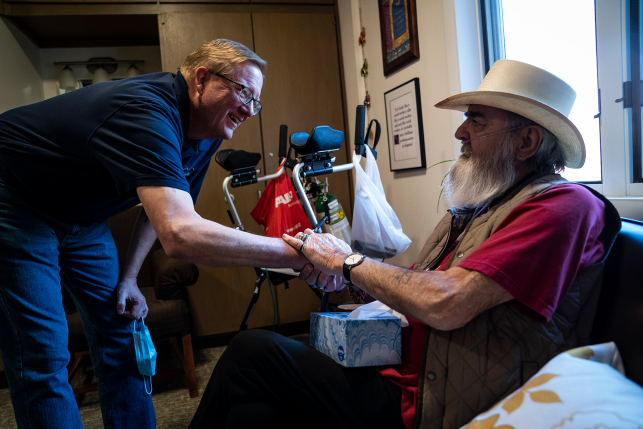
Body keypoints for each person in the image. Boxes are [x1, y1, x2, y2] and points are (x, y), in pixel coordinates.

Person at [189, 60, 622, 429]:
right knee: (252, 414)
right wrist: (343, 280)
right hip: (398, 375)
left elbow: (445, 302)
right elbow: (411, 289)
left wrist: (344, 259)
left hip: (429, 402)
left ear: (526, 142)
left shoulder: (565, 207)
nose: (460, 133)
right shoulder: (480, 208)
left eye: (476, 120)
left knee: (251, 352)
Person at [0, 39, 335, 429]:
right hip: (16, 198)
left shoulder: (207, 131)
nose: (248, 109)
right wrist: (300, 252)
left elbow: (160, 216)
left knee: (123, 329)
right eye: (243, 91)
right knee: (43, 355)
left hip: (83, 215)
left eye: (255, 101)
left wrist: (129, 279)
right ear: (202, 79)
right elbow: (180, 234)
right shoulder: (148, 111)